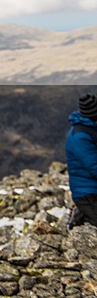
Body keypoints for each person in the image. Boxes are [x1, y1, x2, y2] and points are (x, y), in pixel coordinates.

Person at [65, 93, 97, 227]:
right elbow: (94, 167)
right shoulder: (80, 137)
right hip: (88, 193)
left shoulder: (91, 128)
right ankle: (81, 219)